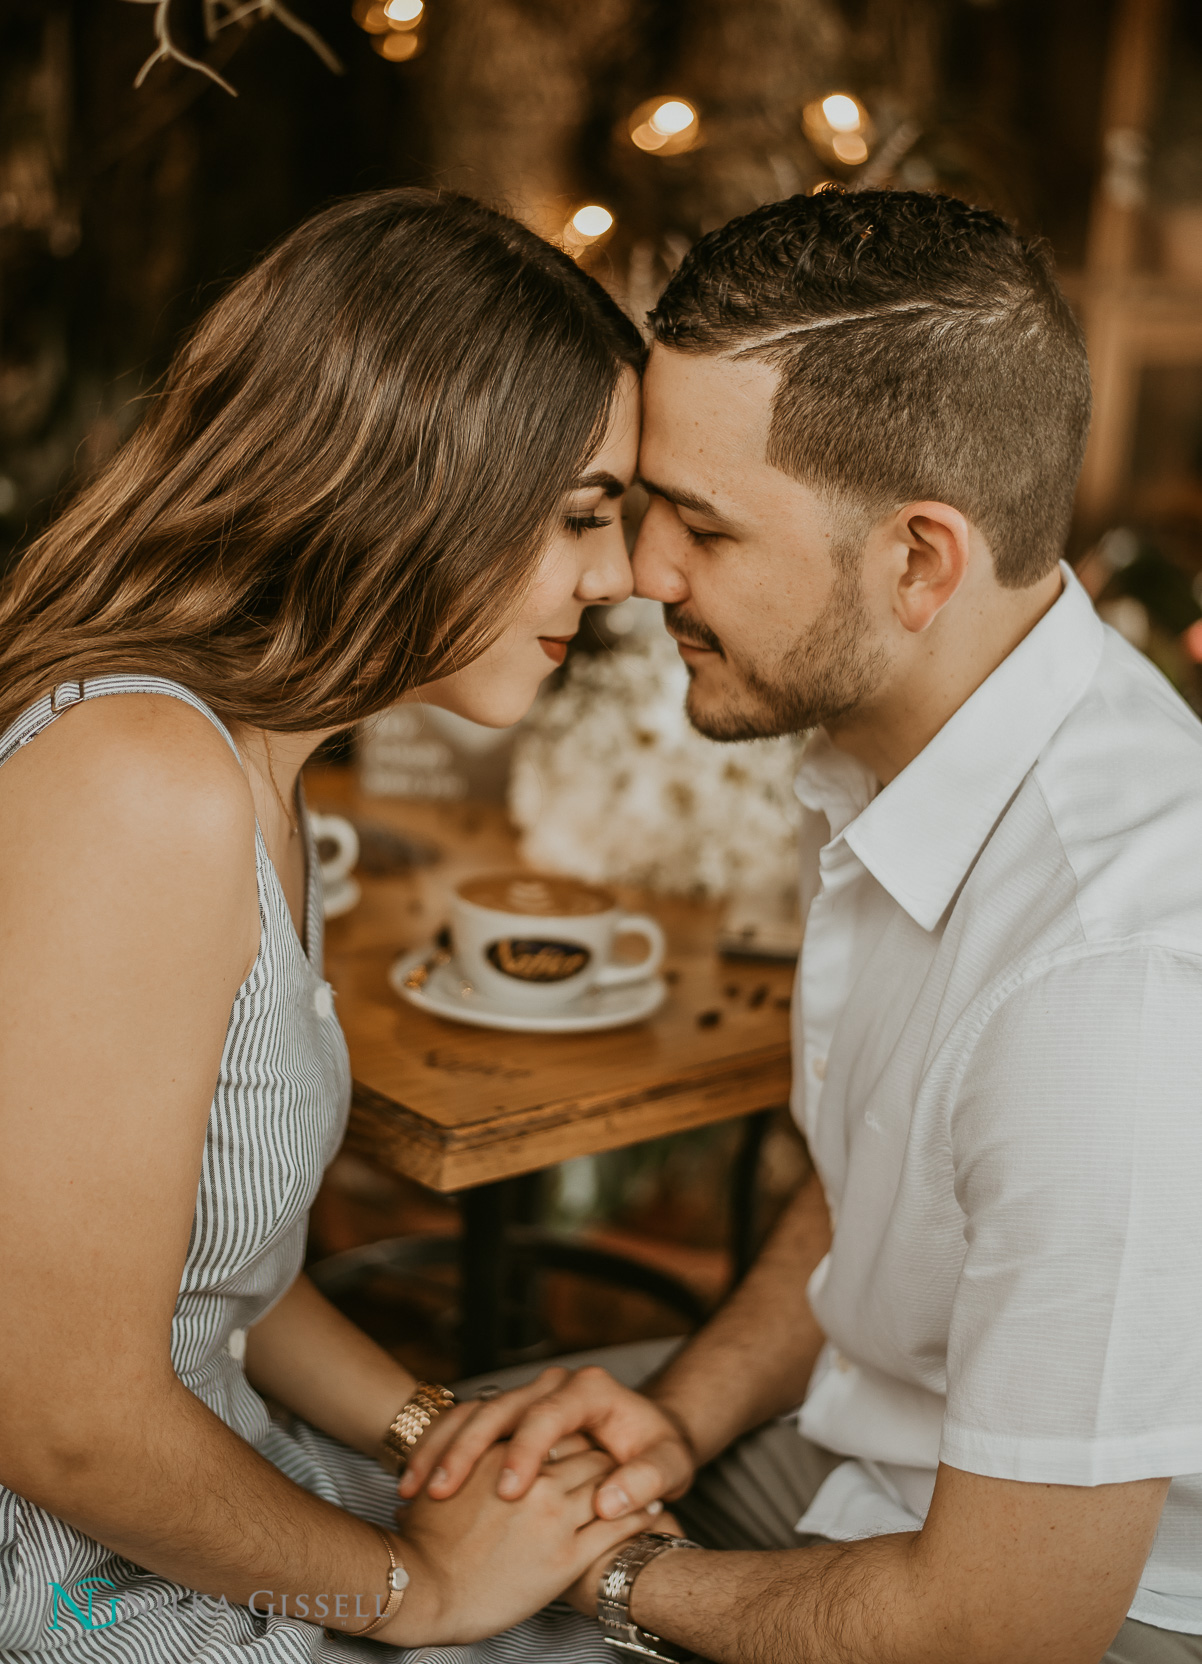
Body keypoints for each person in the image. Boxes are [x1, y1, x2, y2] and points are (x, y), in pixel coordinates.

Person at [401, 191, 1202, 1664]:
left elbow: (998, 1626)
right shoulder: (915, 746)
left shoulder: (1113, 991)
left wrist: (606, 1578)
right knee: (437, 1476)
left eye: (699, 526)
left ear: (917, 562)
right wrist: (676, 1417)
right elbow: (884, 1185)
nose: (641, 574)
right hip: (849, 1470)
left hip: (1069, 1616)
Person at [0, 187, 665, 1659]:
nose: (614, 580)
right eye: (576, 518)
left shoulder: (262, 777)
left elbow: (229, 1277)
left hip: (208, 1475)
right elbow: (59, 1424)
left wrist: (449, 1441)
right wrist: (412, 1592)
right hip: (67, 1579)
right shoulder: (138, 781)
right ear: (416, 479)